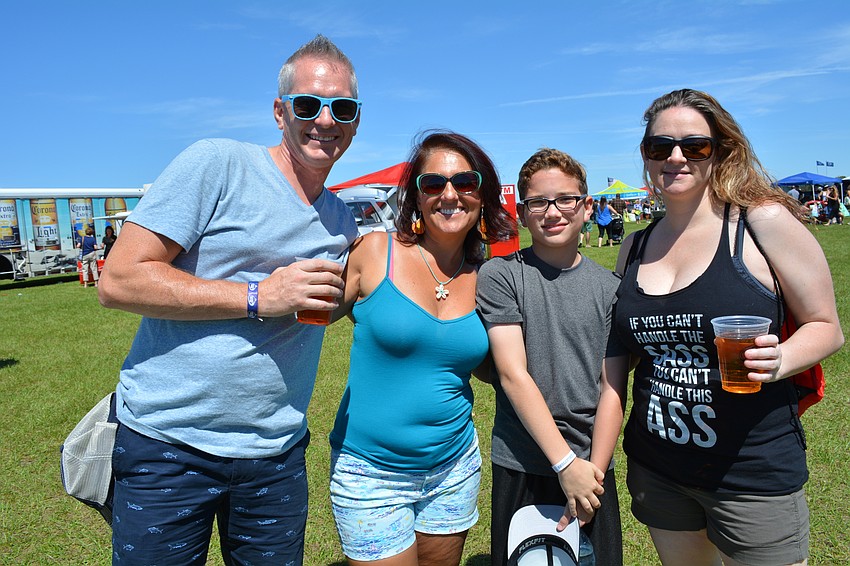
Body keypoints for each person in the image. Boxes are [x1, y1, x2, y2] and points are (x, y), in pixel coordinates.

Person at [98, 34, 360, 565]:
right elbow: (119, 280)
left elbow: (332, 304)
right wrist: (260, 295)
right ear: (280, 112)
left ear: (356, 121)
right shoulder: (217, 164)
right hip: (168, 445)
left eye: (343, 108)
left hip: (275, 454)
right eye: (308, 105)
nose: (325, 120)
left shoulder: (341, 221)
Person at [614, 88, 844, 566]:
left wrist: (781, 359)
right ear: (646, 155)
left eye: (695, 145)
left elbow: (826, 326)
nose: (676, 157)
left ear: (720, 151)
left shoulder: (762, 222)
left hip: (751, 468)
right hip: (657, 465)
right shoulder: (634, 246)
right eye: (660, 146)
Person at [327, 131, 516, 565]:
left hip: (454, 468)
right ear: (416, 196)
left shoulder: (487, 276)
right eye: (433, 184)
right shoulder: (375, 252)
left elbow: (493, 367)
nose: (449, 195)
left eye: (464, 182)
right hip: (369, 472)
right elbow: (305, 319)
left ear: (482, 194)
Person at [476, 147, 627, 566]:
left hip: (592, 468)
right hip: (523, 461)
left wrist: (591, 476)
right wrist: (564, 464)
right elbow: (513, 374)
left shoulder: (611, 288)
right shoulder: (501, 275)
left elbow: (613, 389)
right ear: (523, 214)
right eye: (539, 202)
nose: (553, 211)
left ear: (587, 207)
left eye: (565, 199)